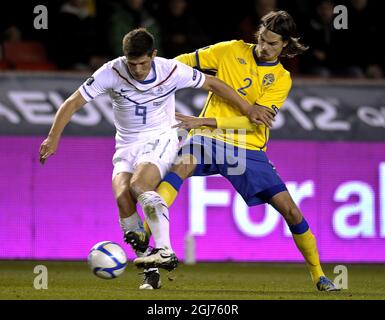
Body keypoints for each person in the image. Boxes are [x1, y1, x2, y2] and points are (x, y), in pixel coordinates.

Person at [38, 28, 260, 290]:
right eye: (132, 64)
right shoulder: (111, 71)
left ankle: (165, 248)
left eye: (143, 63)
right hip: (126, 145)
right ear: (125, 58)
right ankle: (150, 272)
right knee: (123, 199)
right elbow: (73, 102)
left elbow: (213, 84)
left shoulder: (170, 70)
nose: (138, 69)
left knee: (139, 186)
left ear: (153, 55)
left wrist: (247, 108)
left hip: (161, 138)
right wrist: (52, 137)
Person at [133, 11, 340, 292]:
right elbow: (180, 65)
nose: (264, 47)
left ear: (286, 45)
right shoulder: (229, 50)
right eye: (262, 40)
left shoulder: (281, 79)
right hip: (207, 139)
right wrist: (152, 75)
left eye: (272, 44)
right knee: (177, 171)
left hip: (247, 147)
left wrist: (204, 120)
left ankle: (319, 276)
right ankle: (150, 261)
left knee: (290, 211)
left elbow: (253, 120)